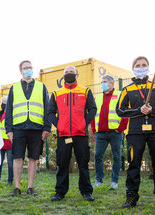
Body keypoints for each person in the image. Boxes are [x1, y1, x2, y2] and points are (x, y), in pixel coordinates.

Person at [116, 56, 155, 209]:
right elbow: (120, 110)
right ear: (133, 68)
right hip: (134, 132)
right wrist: (138, 110)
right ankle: (131, 197)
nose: (141, 67)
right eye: (138, 65)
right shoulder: (127, 89)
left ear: (148, 67)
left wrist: (153, 110)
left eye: (144, 65)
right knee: (133, 164)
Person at [47, 65, 97, 201]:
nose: (69, 74)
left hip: (80, 134)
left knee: (83, 163)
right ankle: (60, 192)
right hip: (63, 135)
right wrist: (59, 126)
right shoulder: (56, 93)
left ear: (77, 75)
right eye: (66, 72)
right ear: (63, 76)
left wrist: (83, 123)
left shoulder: (85, 91)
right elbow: (50, 113)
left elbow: (93, 109)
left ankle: (86, 191)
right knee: (62, 164)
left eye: (71, 72)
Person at [5, 60, 51, 196]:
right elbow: (9, 110)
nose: (28, 70)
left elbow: (47, 109)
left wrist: (47, 128)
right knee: (17, 158)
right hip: (18, 128)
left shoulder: (41, 87)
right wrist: (9, 129)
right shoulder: (14, 88)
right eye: (25, 68)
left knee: (33, 158)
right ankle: (17, 187)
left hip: (36, 128)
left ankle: (30, 187)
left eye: (30, 67)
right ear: (21, 71)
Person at [90, 75, 128, 190]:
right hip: (100, 133)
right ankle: (98, 180)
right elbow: (92, 114)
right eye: (102, 82)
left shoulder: (120, 95)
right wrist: (94, 128)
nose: (103, 84)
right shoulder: (98, 98)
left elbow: (125, 112)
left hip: (115, 132)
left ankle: (114, 181)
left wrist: (121, 128)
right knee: (97, 156)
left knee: (116, 156)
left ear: (112, 83)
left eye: (105, 82)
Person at [0, 96, 13, 186]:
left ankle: (10, 181)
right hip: (0, 142)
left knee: (10, 163)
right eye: (3, 104)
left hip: (10, 141)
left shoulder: (12, 115)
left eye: (5, 104)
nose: (4, 105)